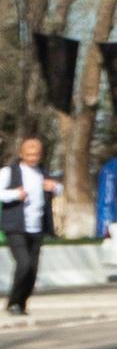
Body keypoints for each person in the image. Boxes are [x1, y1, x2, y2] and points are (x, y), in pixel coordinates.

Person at [0, 135, 60, 320]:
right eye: (29, 154)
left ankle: (21, 303)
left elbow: (59, 188)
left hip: (37, 227)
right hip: (16, 226)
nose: (33, 158)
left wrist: (55, 187)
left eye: (36, 155)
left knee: (33, 269)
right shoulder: (9, 172)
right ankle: (12, 303)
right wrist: (14, 194)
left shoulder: (43, 171)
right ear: (21, 154)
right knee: (24, 264)